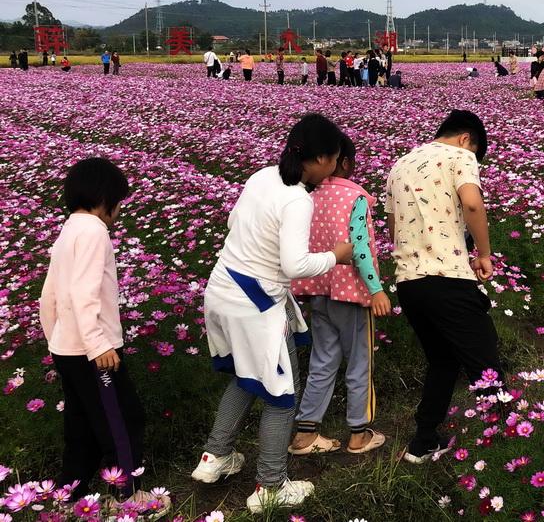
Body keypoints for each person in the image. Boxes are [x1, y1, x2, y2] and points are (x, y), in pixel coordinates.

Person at [192, 114, 353, 513]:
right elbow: (295, 265)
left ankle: (215, 458)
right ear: (318, 158)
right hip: (256, 303)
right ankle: (271, 485)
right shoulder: (298, 197)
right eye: (333, 160)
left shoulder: (264, 175)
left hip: (222, 287)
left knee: (247, 378)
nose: (335, 167)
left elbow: (234, 222)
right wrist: (337, 256)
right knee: (281, 395)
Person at [39, 158, 169, 513]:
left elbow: (48, 295)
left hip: (68, 347)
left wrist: (58, 339)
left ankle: (69, 494)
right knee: (122, 419)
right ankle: (127, 497)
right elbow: (84, 294)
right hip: (93, 350)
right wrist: (97, 344)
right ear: (104, 197)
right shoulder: (94, 231)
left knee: (81, 424)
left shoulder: (69, 229)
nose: (119, 211)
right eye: (119, 202)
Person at [385, 110, 503, 464]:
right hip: (448, 277)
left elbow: (392, 229)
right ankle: (507, 443)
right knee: (486, 363)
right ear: (468, 139)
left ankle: (423, 441)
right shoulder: (461, 156)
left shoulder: (400, 164)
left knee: (442, 360)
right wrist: (484, 253)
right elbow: (471, 202)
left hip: (409, 282)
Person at [289, 134, 392, 457]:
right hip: (351, 292)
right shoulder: (355, 197)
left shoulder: (310, 195)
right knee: (360, 362)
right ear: (345, 163)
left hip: (318, 289)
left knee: (323, 360)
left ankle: (306, 433)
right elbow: (359, 247)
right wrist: (375, 289)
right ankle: (359, 433)